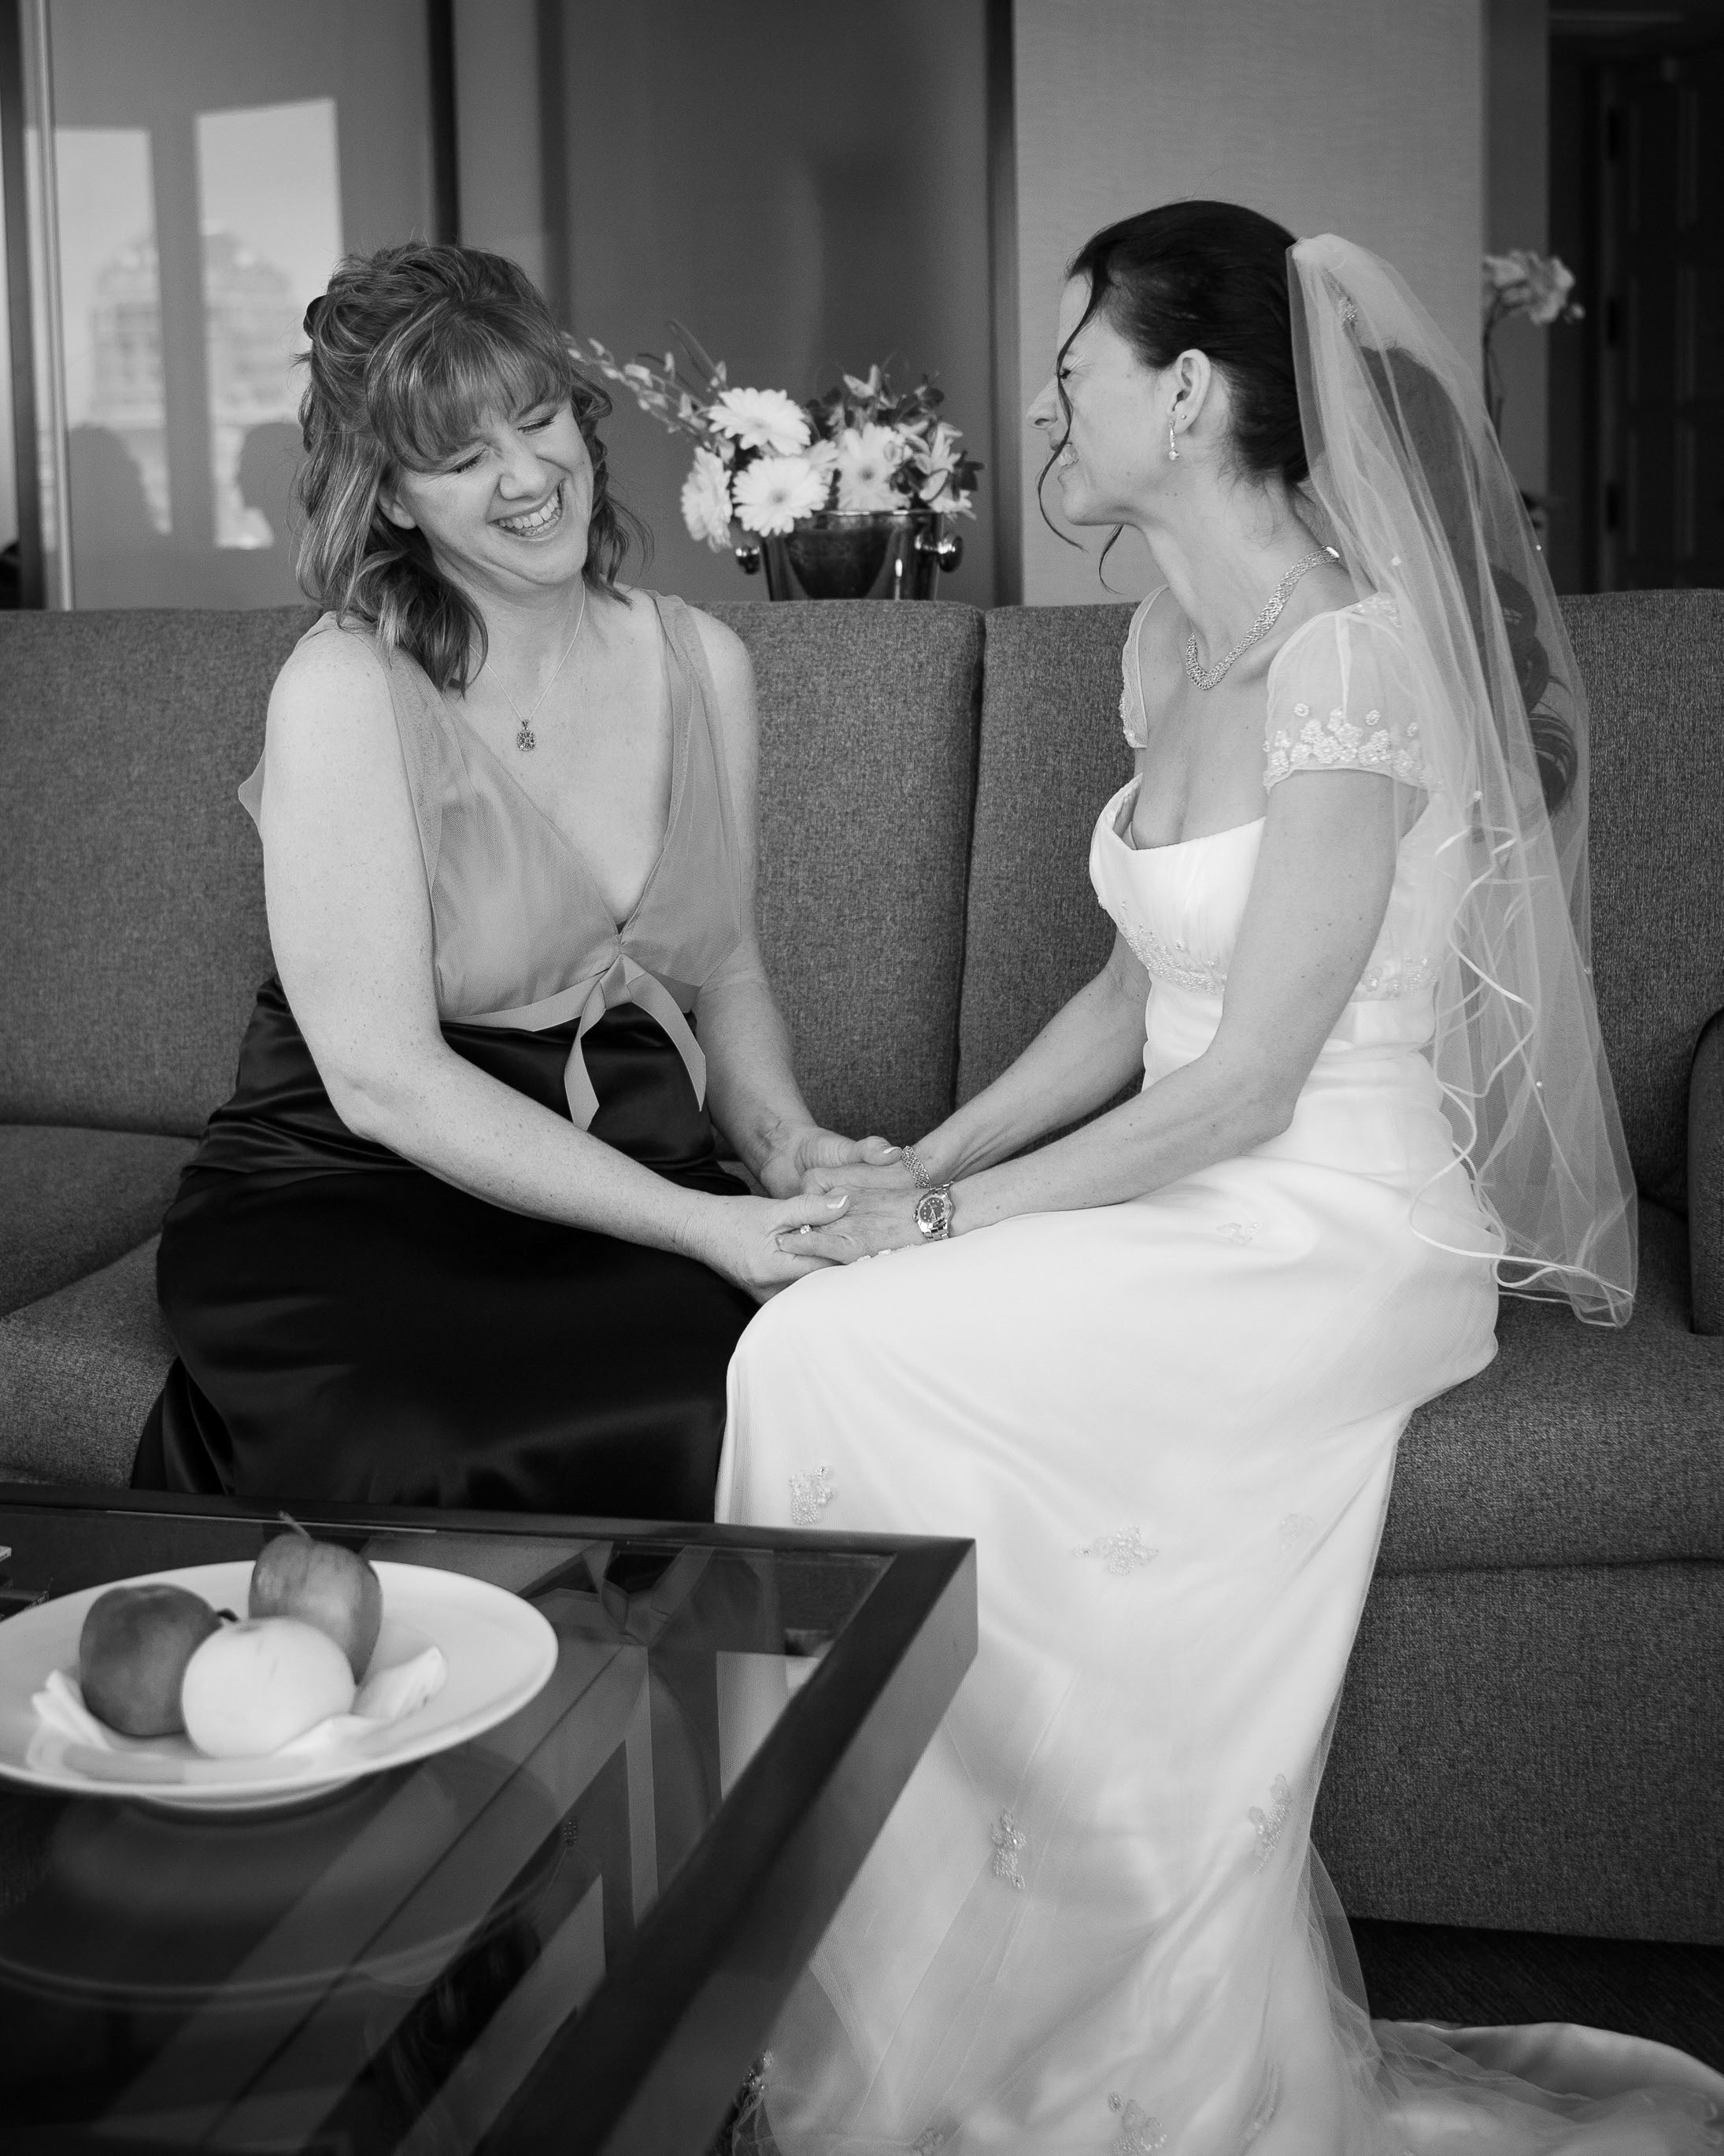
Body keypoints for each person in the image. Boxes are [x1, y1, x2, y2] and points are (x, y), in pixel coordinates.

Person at [718, 206, 1724, 2150]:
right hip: (1198, 1176)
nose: (1042, 399)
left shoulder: (1357, 661)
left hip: (1335, 1216)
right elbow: (1128, 991)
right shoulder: (1171, 642)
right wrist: (917, 1155)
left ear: (1186, 394)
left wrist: (928, 1227)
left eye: (1073, 359)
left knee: (823, 1353)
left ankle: (982, 1997)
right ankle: (907, 1970)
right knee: (814, 1333)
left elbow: (1254, 1076)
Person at [133, 243, 879, 1517]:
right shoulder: (346, 687)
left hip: (632, 1171)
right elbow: (382, 1080)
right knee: (429, 1442)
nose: (528, 476)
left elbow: (730, 970)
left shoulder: (705, 661)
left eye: (538, 422)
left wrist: (781, 1144)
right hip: (358, 1187)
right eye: (462, 456)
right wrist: (705, 1229)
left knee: (797, 1388)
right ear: (393, 499)